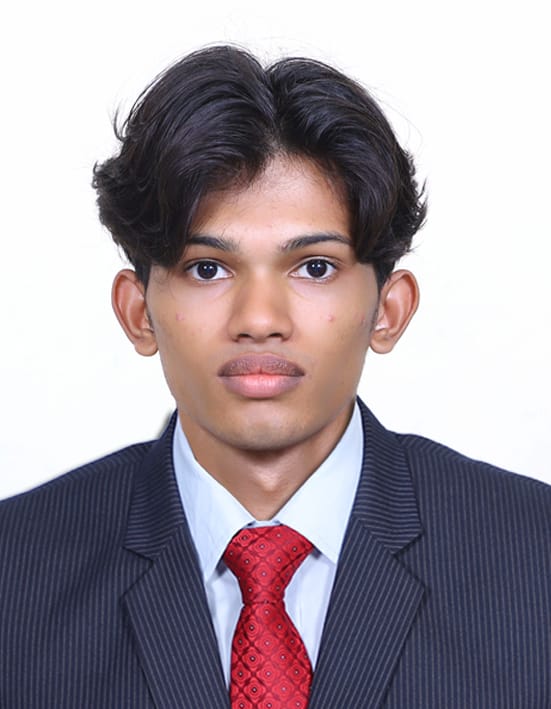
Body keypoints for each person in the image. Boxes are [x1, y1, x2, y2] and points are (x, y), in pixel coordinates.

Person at [1, 45, 549, 709]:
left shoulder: (535, 558)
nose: (259, 319)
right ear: (138, 312)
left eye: (314, 267)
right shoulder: (14, 573)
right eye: (207, 268)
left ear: (388, 309)